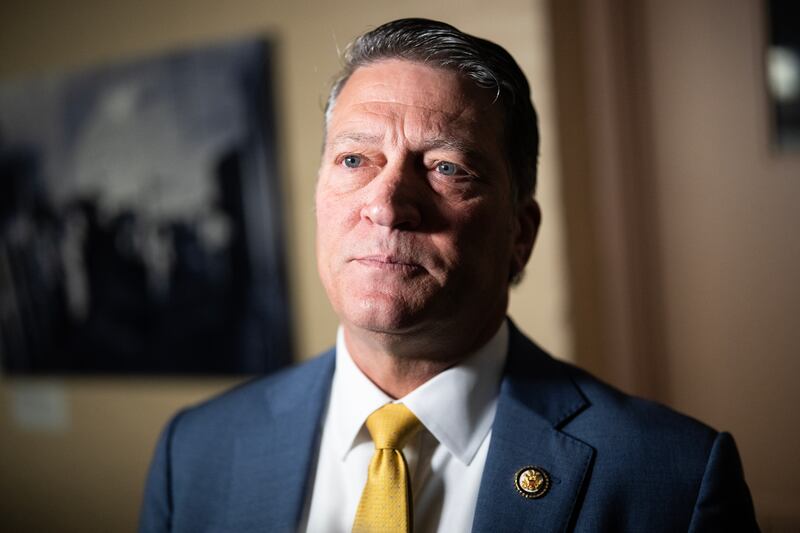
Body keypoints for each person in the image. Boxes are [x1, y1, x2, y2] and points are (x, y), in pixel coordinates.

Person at [139, 18, 758, 532]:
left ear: (520, 234)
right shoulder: (193, 453)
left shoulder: (674, 480)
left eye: (446, 167)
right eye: (355, 159)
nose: (385, 205)